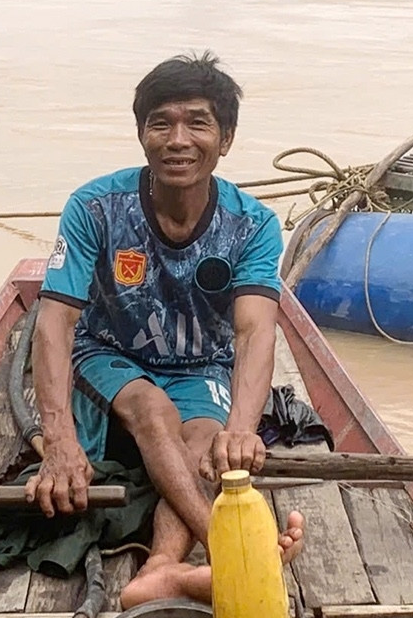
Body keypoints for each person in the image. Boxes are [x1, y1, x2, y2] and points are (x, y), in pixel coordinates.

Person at [26, 52, 306, 607]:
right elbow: (53, 323)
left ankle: (160, 567)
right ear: (141, 134)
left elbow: (254, 334)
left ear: (224, 139)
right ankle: (231, 551)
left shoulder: (252, 224)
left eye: (197, 122)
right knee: (155, 413)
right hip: (108, 355)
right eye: (162, 123)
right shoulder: (95, 207)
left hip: (202, 363)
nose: (178, 139)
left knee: (204, 440)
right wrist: (58, 441)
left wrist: (242, 431)